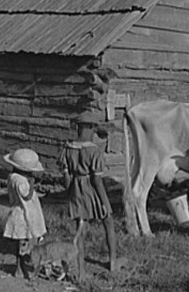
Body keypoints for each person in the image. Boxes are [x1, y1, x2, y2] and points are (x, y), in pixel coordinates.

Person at [58, 111, 125, 274]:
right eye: (93, 128)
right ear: (90, 128)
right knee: (108, 222)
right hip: (92, 190)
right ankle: (113, 263)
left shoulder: (67, 148)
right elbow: (96, 180)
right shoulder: (94, 151)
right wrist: (105, 202)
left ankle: (81, 272)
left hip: (77, 189)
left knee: (81, 228)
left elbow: (66, 180)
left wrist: (72, 192)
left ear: (78, 127)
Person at [3, 148, 47, 279]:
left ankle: (19, 268)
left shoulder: (12, 177)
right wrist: (32, 184)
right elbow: (27, 196)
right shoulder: (20, 181)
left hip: (19, 212)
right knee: (25, 244)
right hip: (24, 214)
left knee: (21, 244)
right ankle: (23, 268)